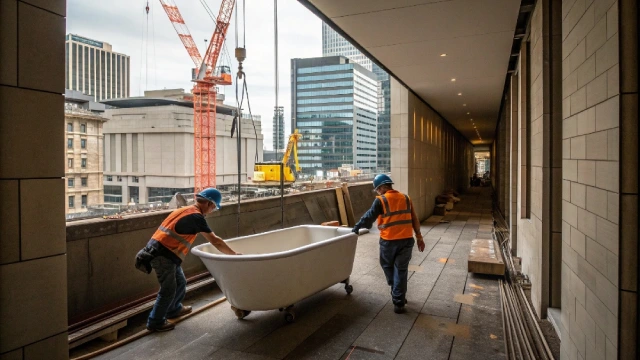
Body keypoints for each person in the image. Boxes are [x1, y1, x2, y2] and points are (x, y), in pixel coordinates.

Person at [135, 188, 240, 332]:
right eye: (214, 207)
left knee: (181, 282)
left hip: (164, 253)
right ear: (209, 203)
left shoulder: (186, 210)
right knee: (168, 290)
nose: (212, 210)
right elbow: (216, 241)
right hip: (162, 256)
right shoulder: (196, 217)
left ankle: (173, 309)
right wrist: (233, 255)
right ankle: (155, 321)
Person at [352, 174, 425, 314]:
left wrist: (357, 227)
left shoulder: (381, 200)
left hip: (389, 242)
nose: (378, 192)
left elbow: (369, 217)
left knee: (387, 266)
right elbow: (414, 218)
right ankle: (399, 296)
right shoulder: (406, 198)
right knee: (401, 270)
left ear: (380, 188)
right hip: (406, 241)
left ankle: (397, 296)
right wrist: (419, 237)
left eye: (377, 189)